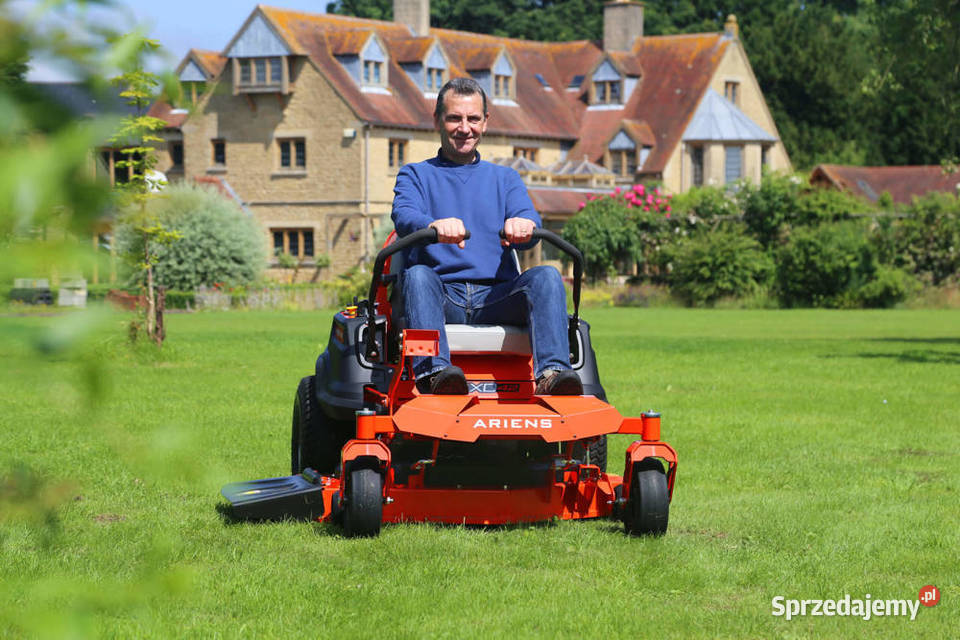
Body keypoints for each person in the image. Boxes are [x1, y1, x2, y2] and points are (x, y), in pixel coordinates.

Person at [391, 77, 582, 396]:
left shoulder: (505, 178)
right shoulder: (415, 175)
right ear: (437, 119)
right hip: (442, 295)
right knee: (419, 275)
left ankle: (553, 374)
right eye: (454, 118)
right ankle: (435, 373)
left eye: (472, 119)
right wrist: (434, 225)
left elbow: (530, 220)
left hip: (497, 297)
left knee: (547, 276)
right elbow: (405, 217)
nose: (464, 128)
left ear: (485, 122)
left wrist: (522, 225)